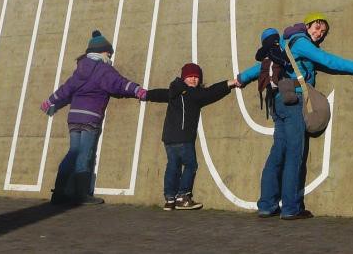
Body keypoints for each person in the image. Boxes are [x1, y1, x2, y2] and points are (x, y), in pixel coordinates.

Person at [237, 13, 353, 220]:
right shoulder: (302, 42)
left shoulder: (282, 44)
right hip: (293, 100)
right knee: (295, 154)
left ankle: (267, 205)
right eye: (317, 28)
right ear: (307, 25)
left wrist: (240, 78)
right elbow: (328, 60)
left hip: (276, 101)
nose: (319, 34)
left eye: (322, 32)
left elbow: (260, 68)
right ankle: (290, 208)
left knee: (278, 153)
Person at [40, 29, 147, 205]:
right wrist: (137, 90)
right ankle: (82, 195)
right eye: (108, 52)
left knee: (73, 153)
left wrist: (50, 101)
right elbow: (119, 84)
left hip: (74, 118)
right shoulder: (103, 70)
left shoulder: (80, 69)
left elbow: (66, 88)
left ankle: (59, 192)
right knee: (85, 154)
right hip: (90, 118)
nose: (110, 54)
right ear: (102, 52)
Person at [144, 63, 239, 210]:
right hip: (184, 138)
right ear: (184, 78)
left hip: (169, 139)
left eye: (196, 77)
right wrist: (230, 83)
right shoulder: (193, 94)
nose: (194, 80)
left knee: (172, 166)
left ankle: (169, 199)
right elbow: (211, 92)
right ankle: (182, 197)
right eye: (190, 77)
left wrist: (144, 94)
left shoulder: (173, 92)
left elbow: (159, 94)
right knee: (190, 165)